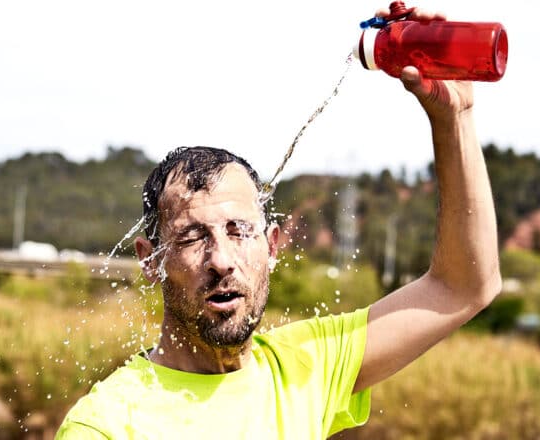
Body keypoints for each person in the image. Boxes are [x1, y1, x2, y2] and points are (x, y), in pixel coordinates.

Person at [56, 7, 501, 439]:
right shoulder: (106, 425)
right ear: (150, 260)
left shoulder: (306, 364)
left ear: (271, 246)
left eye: (239, 230)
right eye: (192, 236)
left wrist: (454, 119)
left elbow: (464, 287)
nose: (222, 260)